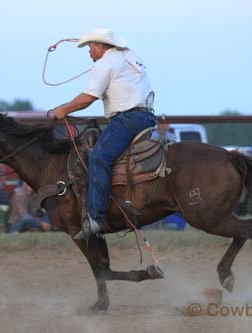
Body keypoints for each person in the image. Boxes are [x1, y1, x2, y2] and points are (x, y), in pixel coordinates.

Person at [51, 28, 157, 239]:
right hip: (146, 116)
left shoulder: (105, 64)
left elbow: (88, 98)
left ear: (100, 46)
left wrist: (62, 110)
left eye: (90, 47)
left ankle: (96, 218)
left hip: (127, 118)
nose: (89, 52)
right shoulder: (130, 57)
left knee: (99, 156)